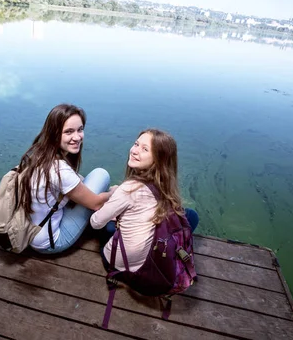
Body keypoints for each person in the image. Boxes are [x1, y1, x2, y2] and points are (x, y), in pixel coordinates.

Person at [90, 128, 199, 271]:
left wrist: (110, 201)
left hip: (118, 263)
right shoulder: (164, 185)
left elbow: (95, 222)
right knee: (190, 215)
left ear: (158, 159)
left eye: (145, 149)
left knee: (108, 226)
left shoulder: (128, 189)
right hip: (149, 258)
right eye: (136, 144)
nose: (134, 151)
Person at [17, 104, 116, 254]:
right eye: (69, 132)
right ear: (55, 134)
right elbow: (95, 204)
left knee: (85, 182)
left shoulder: (38, 154)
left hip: (30, 231)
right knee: (101, 175)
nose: (77, 137)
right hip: (50, 242)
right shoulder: (60, 170)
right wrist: (113, 193)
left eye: (80, 129)